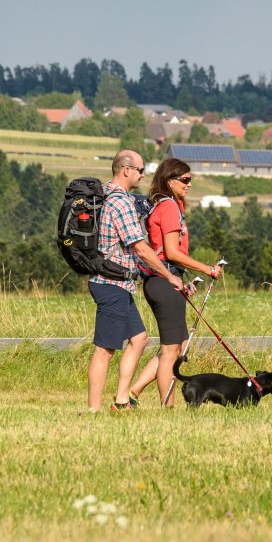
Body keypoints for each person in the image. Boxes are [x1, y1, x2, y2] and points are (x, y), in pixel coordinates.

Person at [87, 149, 183, 412]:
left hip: (118, 284)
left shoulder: (108, 194)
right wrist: (169, 276)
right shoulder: (120, 203)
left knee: (139, 339)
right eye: (140, 170)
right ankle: (93, 410)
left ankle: (122, 400)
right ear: (126, 170)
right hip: (110, 283)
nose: (143, 175)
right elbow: (140, 247)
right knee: (105, 350)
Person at [129, 157, 225, 406]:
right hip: (164, 281)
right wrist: (207, 269)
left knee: (178, 346)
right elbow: (171, 253)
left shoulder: (164, 205)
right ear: (169, 181)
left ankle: (134, 392)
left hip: (164, 280)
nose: (189, 184)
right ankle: (167, 407)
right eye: (184, 179)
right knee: (171, 351)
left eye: (190, 179)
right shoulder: (169, 207)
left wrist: (184, 280)